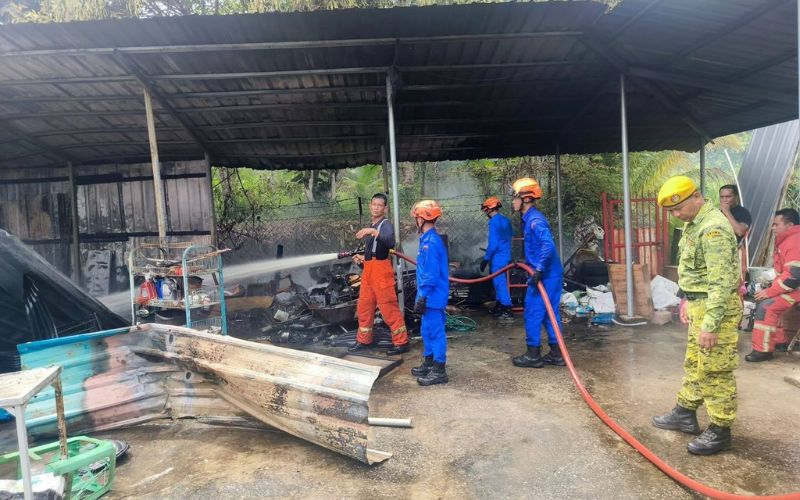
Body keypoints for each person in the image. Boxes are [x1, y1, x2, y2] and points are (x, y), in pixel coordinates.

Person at [651, 176, 742, 456]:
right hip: (699, 305)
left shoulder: (713, 229)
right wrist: (686, 300)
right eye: (671, 211)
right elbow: (693, 272)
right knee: (694, 362)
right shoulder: (694, 224)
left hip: (717, 310)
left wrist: (711, 325)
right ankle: (685, 412)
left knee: (715, 370)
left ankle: (721, 429)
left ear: (696, 197)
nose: (676, 215)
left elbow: (721, 283)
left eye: (678, 208)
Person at [510, 177, 565, 369]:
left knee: (533, 310)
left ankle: (533, 354)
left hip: (545, 275)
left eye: (516, 198)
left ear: (525, 199)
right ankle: (557, 353)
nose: (513, 202)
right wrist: (527, 262)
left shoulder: (534, 220)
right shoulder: (530, 219)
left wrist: (539, 269)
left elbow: (548, 245)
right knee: (550, 313)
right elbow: (537, 247)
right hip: (550, 273)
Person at [348, 193, 409, 356]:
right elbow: (374, 250)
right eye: (374, 204)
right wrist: (363, 258)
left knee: (388, 307)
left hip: (381, 271)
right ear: (370, 206)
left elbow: (390, 242)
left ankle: (401, 342)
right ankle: (364, 340)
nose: (376, 208)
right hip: (369, 270)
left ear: (385, 208)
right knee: (364, 306)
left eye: (379, 205)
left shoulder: (385, 225)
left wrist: (373, 231)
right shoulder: (373, 224)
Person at [747, 208, 800, 361]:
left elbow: (794, 277)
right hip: (794, 287)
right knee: (769, 302)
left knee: (766, 306)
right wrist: (771, 289)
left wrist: (770, 292)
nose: (773, 228)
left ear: (790, 225)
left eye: (776, 225)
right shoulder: (787, 239)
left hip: (796, 287)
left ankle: (762, 350)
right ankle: (779, 342)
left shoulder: (795, 242)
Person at [409, 200, 450, 386]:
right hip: (428, 295)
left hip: (432, 295)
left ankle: (439, 370)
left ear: (422, 219)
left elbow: (431, 274)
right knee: (426, 330)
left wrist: (423, 295)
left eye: (417, 217)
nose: (416, 221)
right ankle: (429, 362)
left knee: (435, 331)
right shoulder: (427, 240)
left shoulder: (431, 243)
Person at [480, 196, 514, 321]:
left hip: (498, 258)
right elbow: (510, 236)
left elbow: (493, 244)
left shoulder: (494, 222)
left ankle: (507, 309)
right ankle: (500, 306)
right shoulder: (505, 220)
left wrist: (486, 258)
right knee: (499, 282)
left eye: (486, 210)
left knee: (500, 283)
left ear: (489, 209)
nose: (485, 212)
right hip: (506, 255)